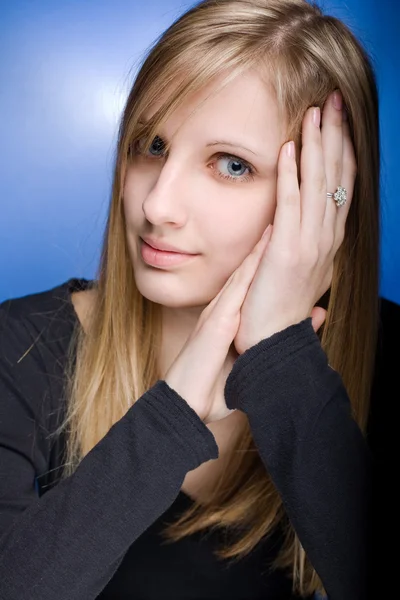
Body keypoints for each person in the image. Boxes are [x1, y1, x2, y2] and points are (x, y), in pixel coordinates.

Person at [0, 0, 386, 598]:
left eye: (231, 165)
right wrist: (172, 414)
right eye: (152, 145)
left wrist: (282, 363)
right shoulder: (18, 351)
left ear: (326, 196)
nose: (157, 206)